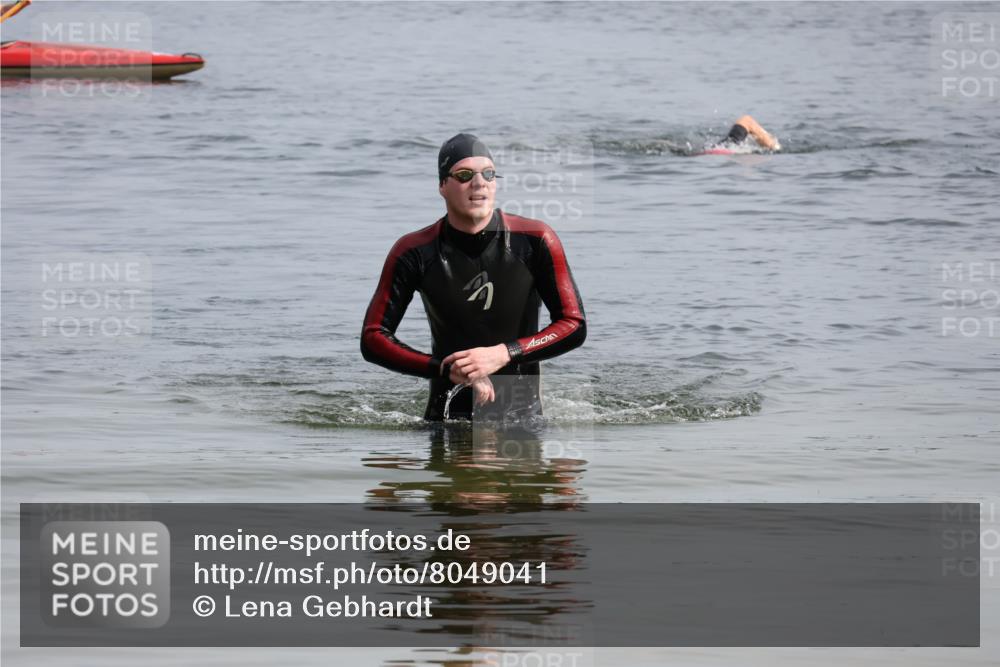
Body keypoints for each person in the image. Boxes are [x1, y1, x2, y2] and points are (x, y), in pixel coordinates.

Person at [361, 133, 586, 421]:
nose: (479, 182)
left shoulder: (534, 240)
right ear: (442, 185)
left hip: (521, 421)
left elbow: (573, 324)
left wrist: (505, 353)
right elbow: (373, 338)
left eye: (488, 174)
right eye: (465, 174)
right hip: (446, 419)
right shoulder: (414, 251)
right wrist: (444, 368)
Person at [708, 114, 781, 153]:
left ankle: (771, 143)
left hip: (715, 149)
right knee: (747, 120)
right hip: (727, 148)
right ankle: (774, 146)